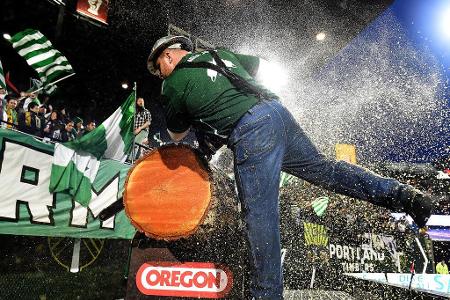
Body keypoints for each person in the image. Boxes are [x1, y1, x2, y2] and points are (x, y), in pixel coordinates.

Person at [146, 35, 437, 299]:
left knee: (259, 217)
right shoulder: (220, 54)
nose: (161, 74)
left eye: (160, 67)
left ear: (169, 55)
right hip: (278, 114)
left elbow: (176, 135)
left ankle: (266, 296)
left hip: (251, 132)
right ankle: (404, 196)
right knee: (327, 170)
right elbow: (259, 67)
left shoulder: (172, 83)